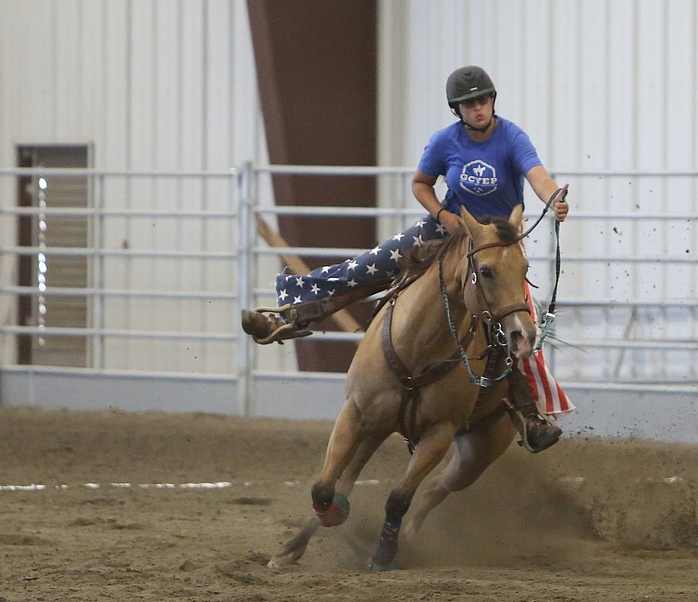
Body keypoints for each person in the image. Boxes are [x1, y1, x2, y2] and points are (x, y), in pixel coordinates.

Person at [241, 65, 572, 453]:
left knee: (518, 322)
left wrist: (553, 198)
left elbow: (537, 176)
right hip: (447, 231)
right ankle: (289, 312)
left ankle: (530, 412)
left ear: (493, 101)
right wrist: (444, 216)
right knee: (368, 266)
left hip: (496, 245)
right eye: (469, 104)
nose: (478, 108)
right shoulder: (444, 142)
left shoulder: (512, 137)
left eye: (483, 100)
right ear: (457, 110)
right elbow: (421, 183)